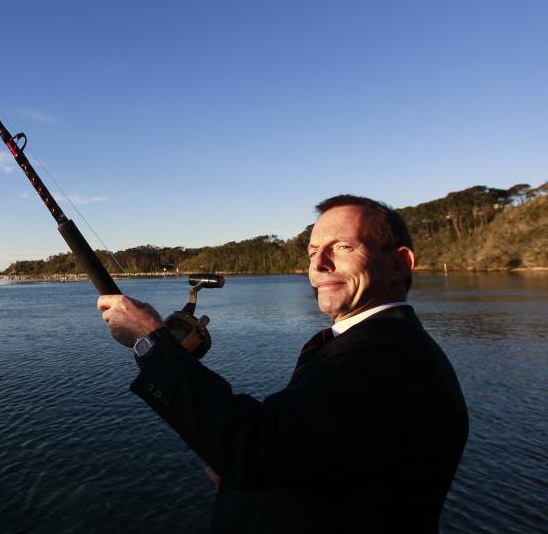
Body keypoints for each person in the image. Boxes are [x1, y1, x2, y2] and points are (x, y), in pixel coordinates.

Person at [98, 195, 468, 534]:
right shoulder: (379, 345)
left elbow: (256, 450)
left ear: (400, 264)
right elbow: (325, 461)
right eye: (312, 252)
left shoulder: (390, 355)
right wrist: (246, 485)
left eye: (342, 247)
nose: (319, 264)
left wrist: (151, 339)